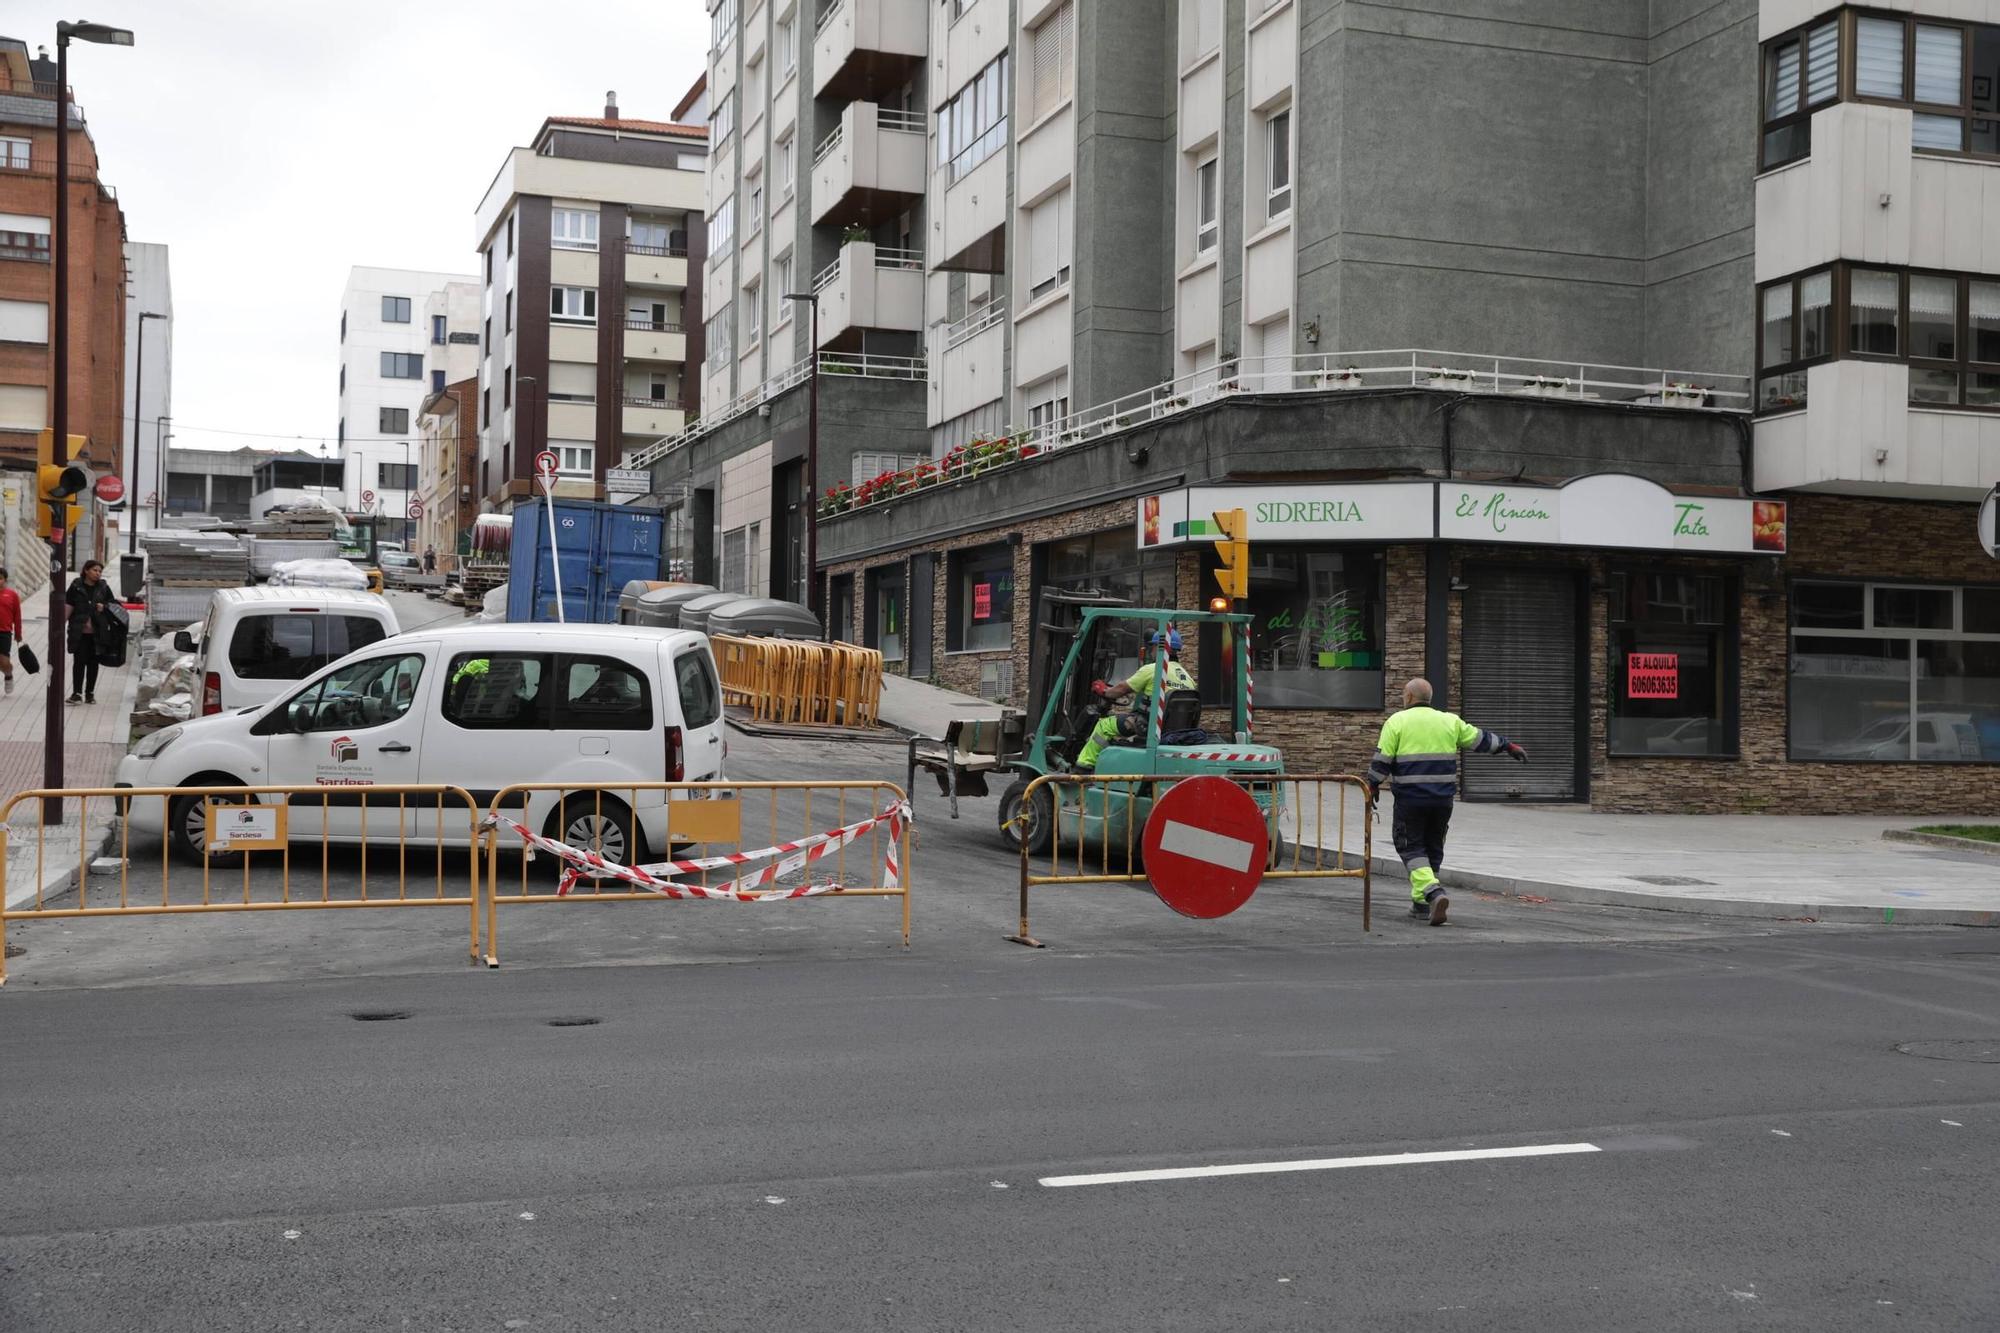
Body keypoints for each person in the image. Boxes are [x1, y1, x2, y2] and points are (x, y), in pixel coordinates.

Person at [1364, 678, 1527, 926]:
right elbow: (1480, 739)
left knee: (1410, 847)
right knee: (1432, 848)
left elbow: (1382, 760)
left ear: (1408, 697)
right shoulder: (1449, 721)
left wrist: (1372, 785)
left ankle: (1433, 893)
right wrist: (1508, 746)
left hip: (1411, 800)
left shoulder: (1397, 721)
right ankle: (1421, 906)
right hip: (1442, 801)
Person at [1075, 628, 1195, 771]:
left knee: (1104, 726)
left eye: (1152, 646)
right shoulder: (1187, 676)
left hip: (1148, 724)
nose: (1151, 650)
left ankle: (1083, 767)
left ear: (1159, 647)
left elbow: (1120, 689)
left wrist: (1105, 691)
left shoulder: (1153, 669)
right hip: (1174, 729)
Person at [65, 560, 116, 704]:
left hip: (98, 633)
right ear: (86, 570)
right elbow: (68, 605)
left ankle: (90, 693)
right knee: (79, 662)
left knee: (93, 663)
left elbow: (114, 605)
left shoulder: (103, 587)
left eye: (100, 571)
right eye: (95, 570)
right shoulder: (76, 586)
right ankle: (76, 693)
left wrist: (104, 607)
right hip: (79, 632)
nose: (98, 574)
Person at [0, 566, 21, 695]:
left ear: (5, 580)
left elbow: (17, 616)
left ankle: (8, 675)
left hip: (4, 632)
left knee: (4, 661)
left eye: (0, 579)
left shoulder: (12, 595)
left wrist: (18, 634)